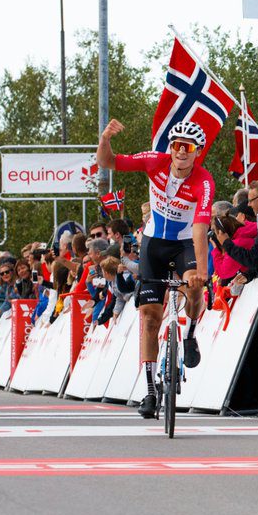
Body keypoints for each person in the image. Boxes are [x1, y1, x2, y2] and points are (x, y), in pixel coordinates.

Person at [97, 117, 212, 420]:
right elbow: (108, 161)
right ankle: (150, 391)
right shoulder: (154, 162)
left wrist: (201, 270)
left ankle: (189, 332)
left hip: (185, 244)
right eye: (176, 145)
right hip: (153, 244)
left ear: (197, 151)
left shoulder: (203, 181)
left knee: (194, 285)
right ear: (171, 148)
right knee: (150, 317)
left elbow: (201, 227)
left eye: (187, 147)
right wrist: (105, 138)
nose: (181, 151)